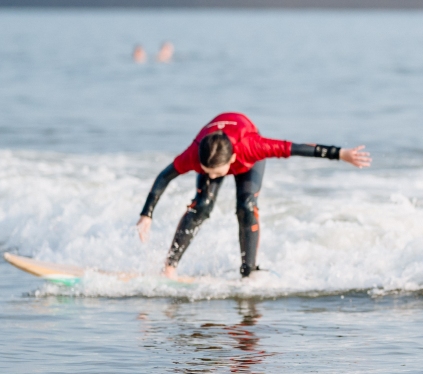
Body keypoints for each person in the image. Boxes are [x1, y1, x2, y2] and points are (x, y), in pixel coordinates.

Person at [136, 112, 371, 278]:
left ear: (231, 160)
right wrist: (147, 214)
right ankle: (169, 267)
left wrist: (340, 153)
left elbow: (298, 148)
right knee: (202, 206)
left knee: (246, 206)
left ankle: (248, 272)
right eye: (208, 172)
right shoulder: (195, 155)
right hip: (213, 149)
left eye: (218, 173)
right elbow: (164, 176)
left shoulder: (253, 147)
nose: (214, 177)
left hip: (246, 153)